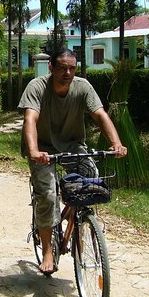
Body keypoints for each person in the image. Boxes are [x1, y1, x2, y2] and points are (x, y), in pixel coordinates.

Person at [18, 49, 128, 275]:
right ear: (51, 68)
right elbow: (30, 118)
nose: (67, 72)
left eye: (72, 68)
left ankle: (76, 221)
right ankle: (48, 250)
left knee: (91, 183)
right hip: (43, 148)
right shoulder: (37, 87)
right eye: (62, 68)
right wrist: (33, 150)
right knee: (48, 195)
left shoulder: (83, 87)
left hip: (73, 145)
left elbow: (100, 114)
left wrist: (116, 143)